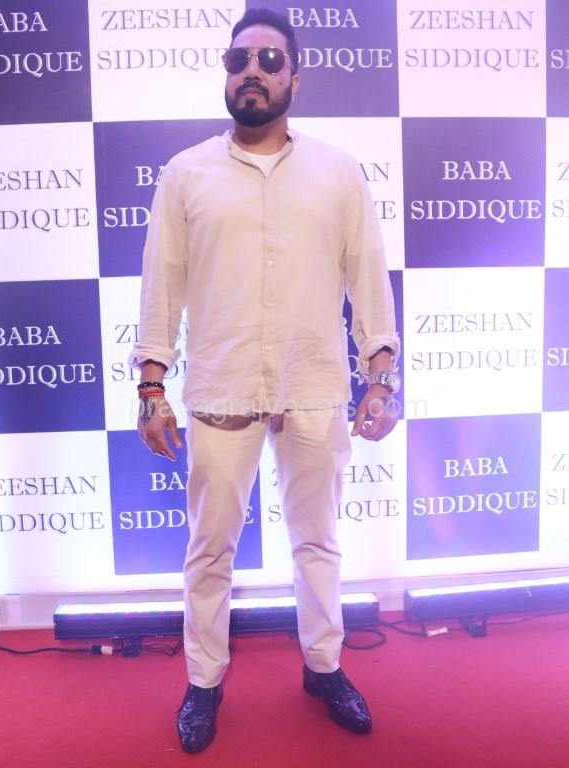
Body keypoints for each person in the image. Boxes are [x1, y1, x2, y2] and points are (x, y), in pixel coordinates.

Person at [129, 7, 400, 754]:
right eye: (239, 59)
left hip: (313, 384)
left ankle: (324, 668)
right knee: (209, 548)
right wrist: (151, 388)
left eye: (269, 60)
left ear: (293, 79)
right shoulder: (186, 173)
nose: (252, 71)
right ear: (227, 73)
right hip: (221, 389)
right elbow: (161, 286)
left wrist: (381, 376)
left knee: (317, 542)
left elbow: (367, 277)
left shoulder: (337, 172)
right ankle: (204, 681)